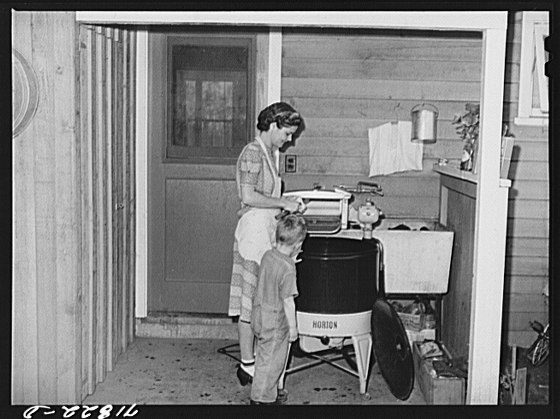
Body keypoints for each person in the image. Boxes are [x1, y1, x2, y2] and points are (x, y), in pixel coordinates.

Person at [228, 102, 304, 386]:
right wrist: (283, 202)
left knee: (262, 301)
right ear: (272, 126)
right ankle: (247, 365)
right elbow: (248, 195)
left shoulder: (270, 154)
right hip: (252, 235)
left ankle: (256, 362)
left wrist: (284, 207)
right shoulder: (252, 152)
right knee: (250, 303)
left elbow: (264, 196)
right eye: (287, 133)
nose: (289, 139)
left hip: (265, 232)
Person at [250, 214, 307, 405]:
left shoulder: (268, 255)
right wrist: (294, 329)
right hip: (275, 322)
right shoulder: (288, 269)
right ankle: (261, 399)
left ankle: (270, 391)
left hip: (258, 314)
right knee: (272, 363)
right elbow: (288, 301)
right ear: (298, 244)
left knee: (264, 357)